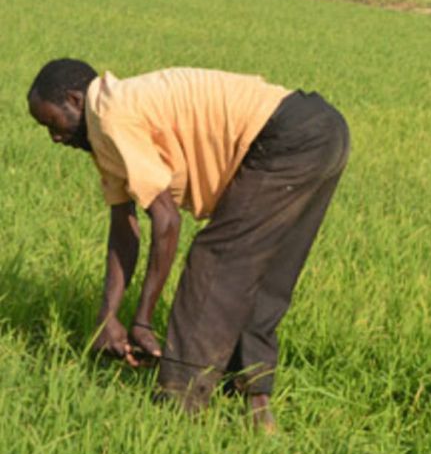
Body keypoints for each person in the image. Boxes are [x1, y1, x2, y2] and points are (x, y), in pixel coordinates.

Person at [27, 59, 350, 429]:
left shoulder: (113, 117)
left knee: (217, 260)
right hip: (323, 130)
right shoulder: (108, 124)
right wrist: (108, 315)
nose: (54, 138)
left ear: (74, 100)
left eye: (52, 123)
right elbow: (123, 229)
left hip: (286, 135)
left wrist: (142, 320)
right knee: (263, 270)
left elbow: (166, 221)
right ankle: (256, 406)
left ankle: (177, 405)